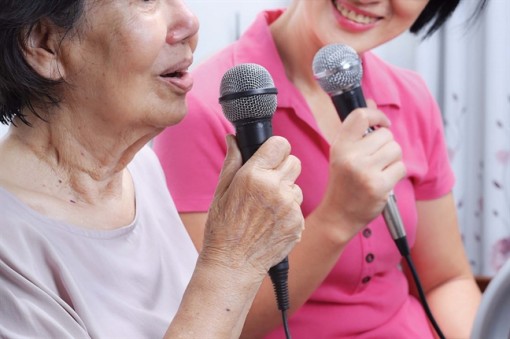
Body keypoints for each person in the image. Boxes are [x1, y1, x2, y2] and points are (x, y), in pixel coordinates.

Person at [153, 0, 488, 338]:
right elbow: (211, 323)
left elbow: (445, 280)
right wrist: (339, 215)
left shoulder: (412, 96)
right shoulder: (201, 108)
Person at [0, 1, 305, 338]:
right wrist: (232, 261)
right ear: (44, 44)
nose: (189, 22)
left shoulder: (142, 168)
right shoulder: (8, 245)